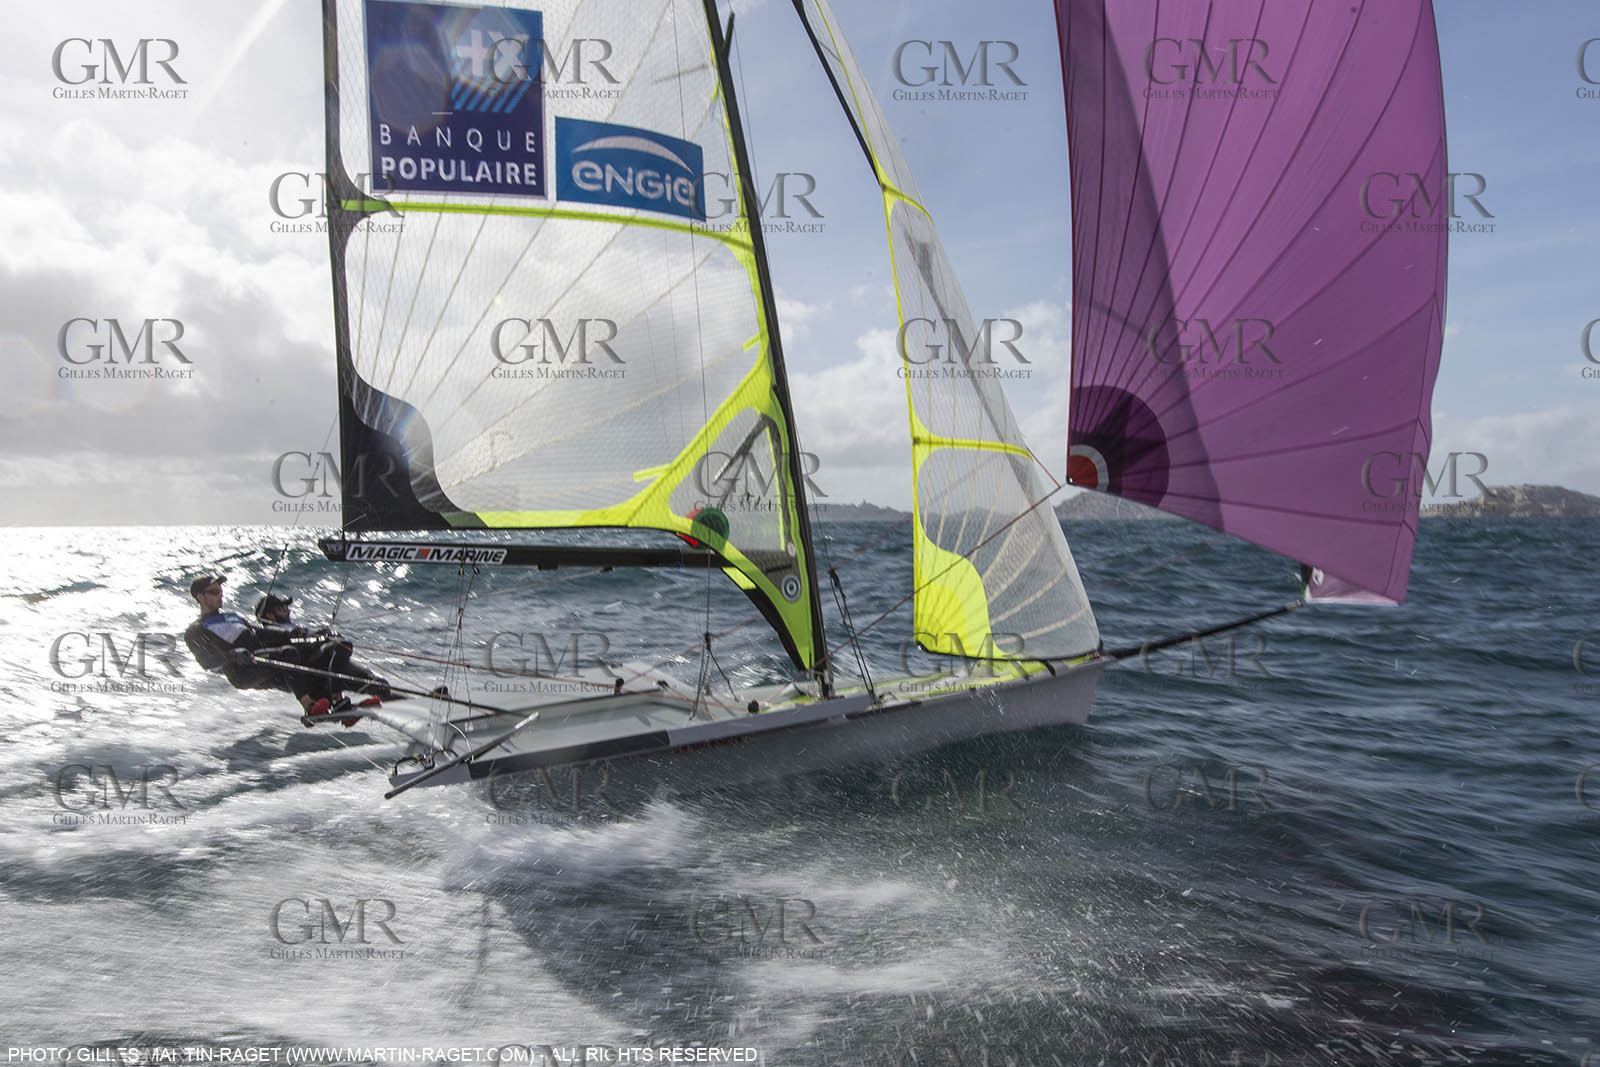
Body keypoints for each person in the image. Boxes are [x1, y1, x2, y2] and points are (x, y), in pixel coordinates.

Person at [183, 574, 390, 725]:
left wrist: (298, 633)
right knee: (288, 654)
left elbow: (260, 632)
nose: (220, 595)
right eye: (214, 592)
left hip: (264, 658)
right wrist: (232, 656)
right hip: (241, 670)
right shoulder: (196, 629)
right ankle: (310, 707)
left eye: (220, 591)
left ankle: (339, 703)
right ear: (200, 597)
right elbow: (207, 662)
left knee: (332, 646)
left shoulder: (233, 616)